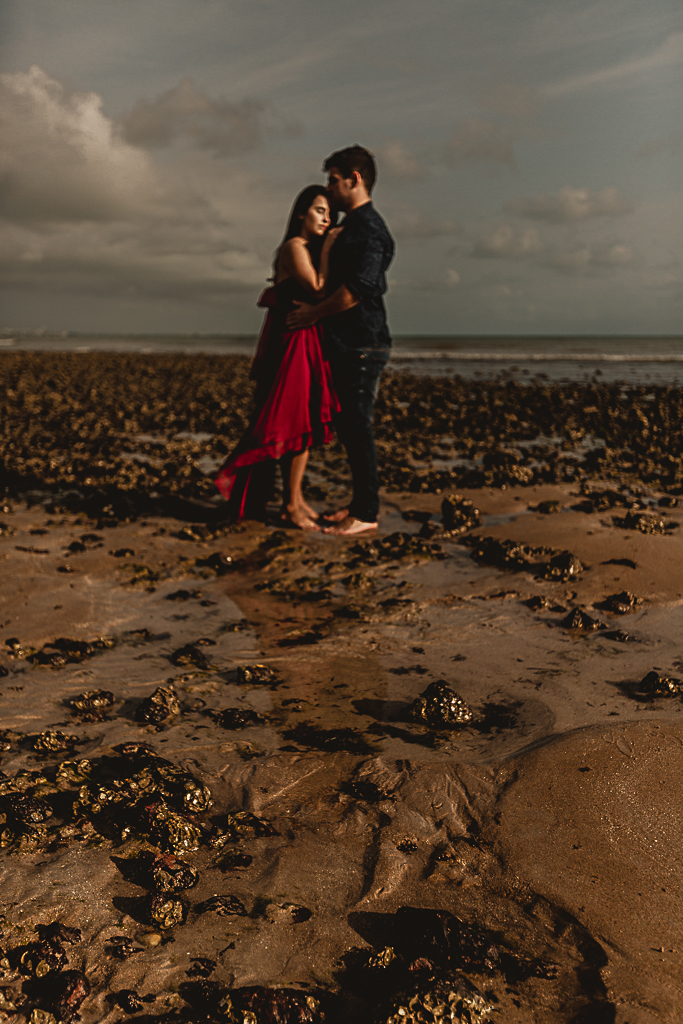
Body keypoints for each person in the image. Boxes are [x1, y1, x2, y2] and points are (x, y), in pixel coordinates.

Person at [215, 185, 341, 530]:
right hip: (293, 344)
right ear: (301, 213)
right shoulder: (294, 247)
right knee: (295, 423)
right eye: (319, 211)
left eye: (330, 214)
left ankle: (295, 500)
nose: (326, 219)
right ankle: (289, 505)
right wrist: (329, 248)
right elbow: (317, 287)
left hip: (305, 340)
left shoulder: (306, 249)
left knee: (303, 422)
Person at [286, 145, 395, 537]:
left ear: (355, 180)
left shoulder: (369, 229)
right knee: (349, 426)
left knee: (357, 426)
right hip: (346, 341)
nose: (329, 189)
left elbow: (357, 290)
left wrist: (314, 313)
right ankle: (359, 504)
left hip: (362, 342)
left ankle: (366, 512)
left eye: (334, 180)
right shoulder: (348, 225)